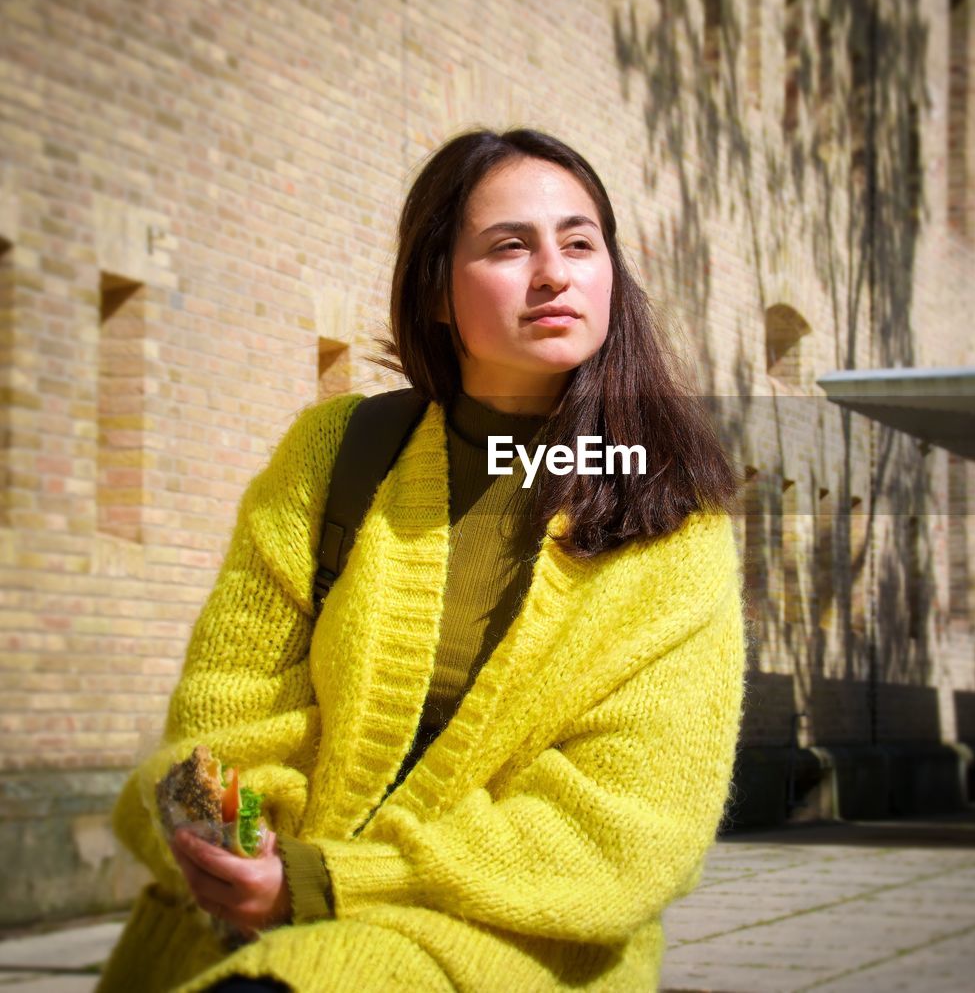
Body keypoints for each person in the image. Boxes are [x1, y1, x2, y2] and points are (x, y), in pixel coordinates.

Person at [97, 127, 747, 993]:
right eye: (510, 246)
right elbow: (228, 710)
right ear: (437, 291)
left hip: (500, 940)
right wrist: (241, 846)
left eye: (581, 242)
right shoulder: (337, 453)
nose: (553, 272)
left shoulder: (672, 522)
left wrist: (327, 882)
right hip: (246, 917)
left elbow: (625, 829)